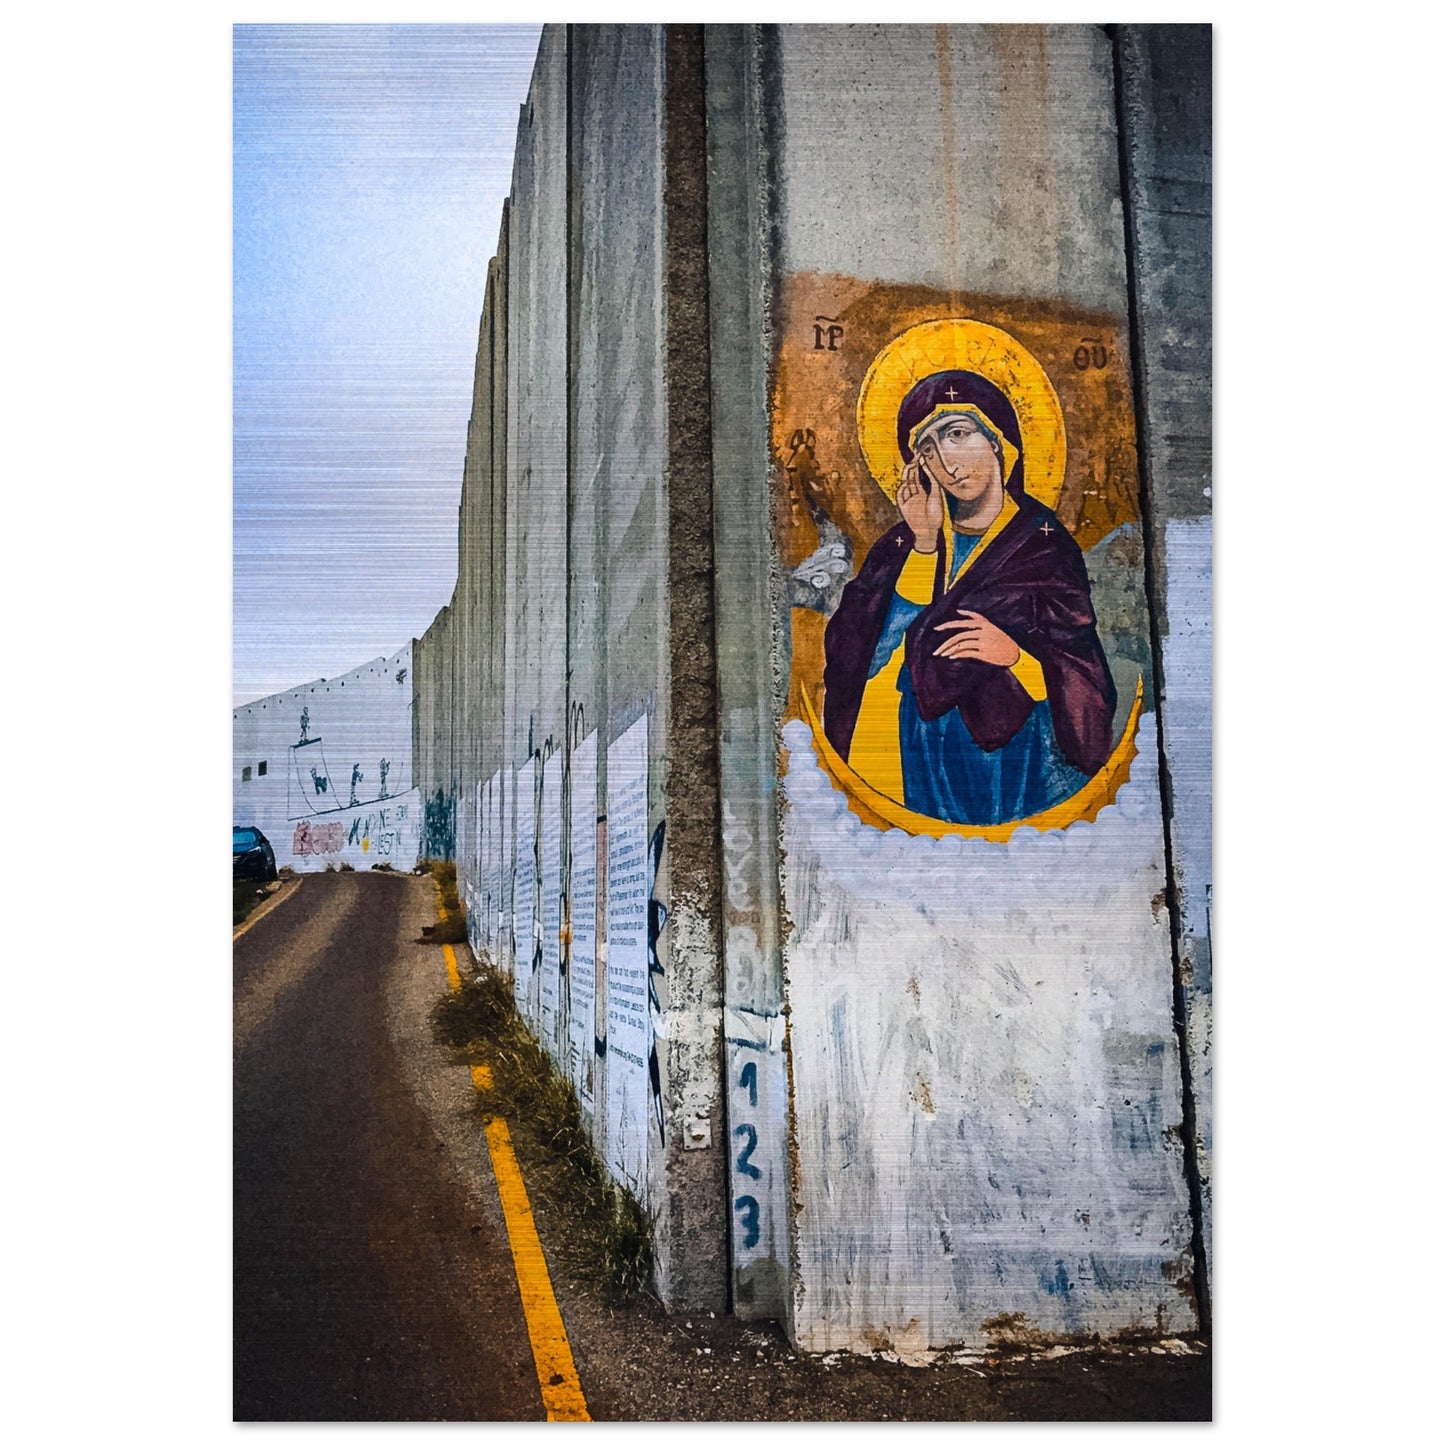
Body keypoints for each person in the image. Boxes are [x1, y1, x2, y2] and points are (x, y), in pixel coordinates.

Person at [821, 369, 1116, 827]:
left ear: (997, 439)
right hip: (913, 756)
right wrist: (922, 545)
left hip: (1014, 768)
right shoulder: (903, 543)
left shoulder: (1045, 546)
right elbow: (853, 658)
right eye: (928, 451)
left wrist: (1015, 657)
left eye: (957, 434)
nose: (948, 463)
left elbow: (1085, 676)